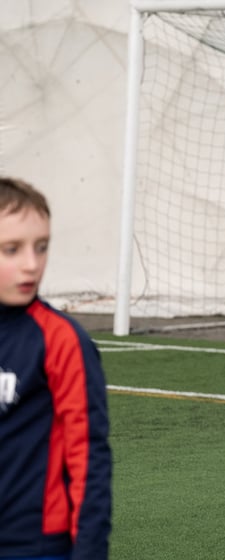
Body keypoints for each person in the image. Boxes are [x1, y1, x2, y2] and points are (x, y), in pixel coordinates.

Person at [0, 176, 112, 559]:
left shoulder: (62, 342)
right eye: (11, 249)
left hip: (36, 545)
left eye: (42, 247)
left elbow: (89, 456)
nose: (31, 264)